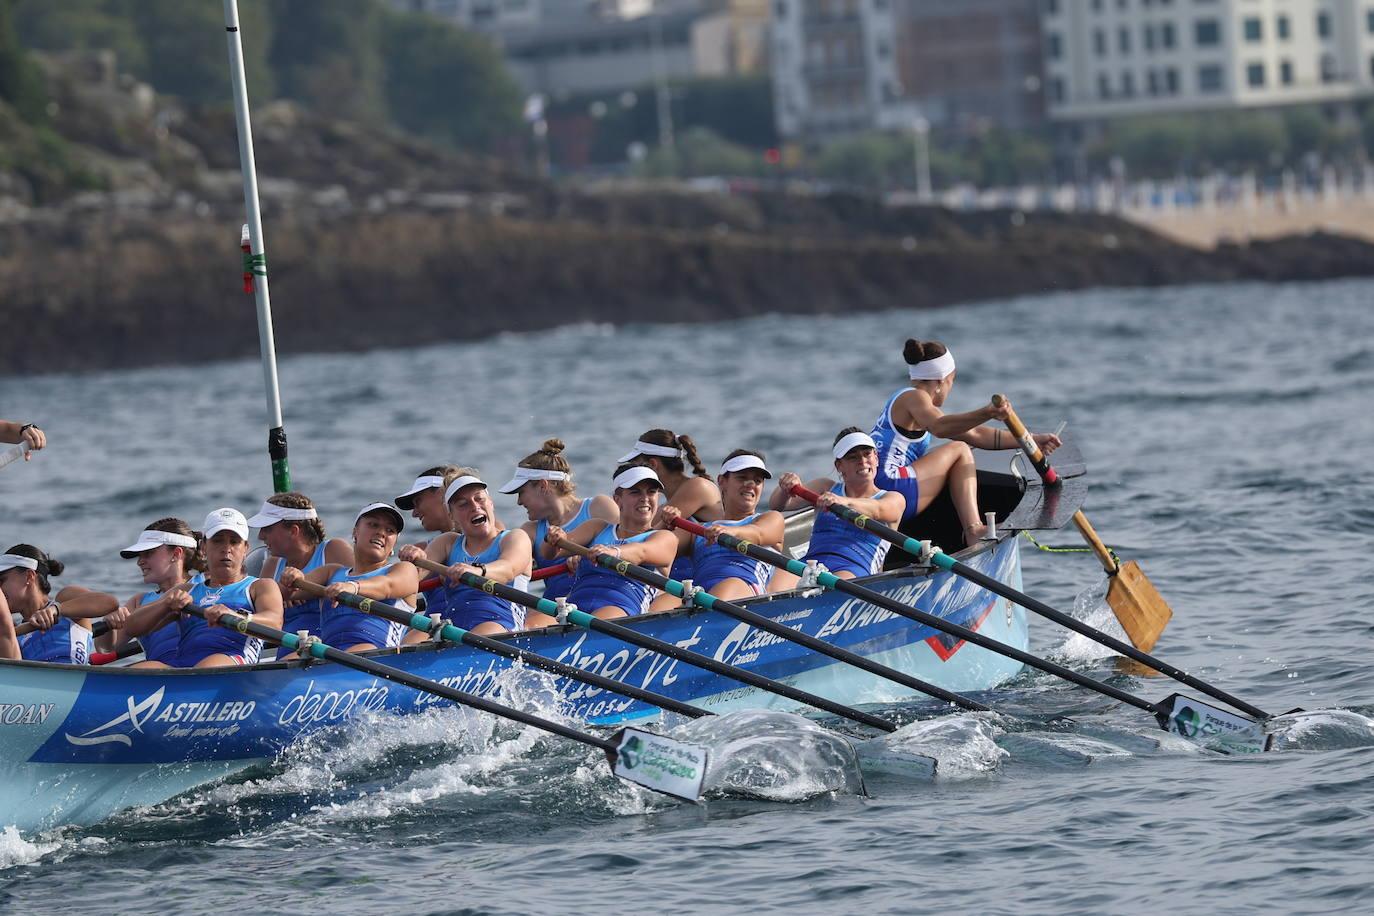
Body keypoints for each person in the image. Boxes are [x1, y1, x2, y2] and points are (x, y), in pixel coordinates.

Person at [869, 338, 1062, 544]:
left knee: (964, 445)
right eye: (952, 381)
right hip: (891, 487)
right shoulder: (915, 398)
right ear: (942, 380)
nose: (950, 388)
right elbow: (940, 427)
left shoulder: (910, 403)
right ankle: (973, 529)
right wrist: (987, 412)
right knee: (960, 450)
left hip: (874, 491)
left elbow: (977, 435)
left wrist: (1030, 440)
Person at [399, 472, 535, 637]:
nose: (474, 506)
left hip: (500, 625)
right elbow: (414, 576)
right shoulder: (447, 542)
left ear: (491, 504)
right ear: (452, 516)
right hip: (454, 630)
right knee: (409, 645)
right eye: (463, 504)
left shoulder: (514, 537)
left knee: (479, 636)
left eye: (479, 499)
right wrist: (412, 559)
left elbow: (509, 569)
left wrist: (477, 571)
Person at [771, 429, 907, 580]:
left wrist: (844, 501)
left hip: (855, 568)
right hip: (811, 563)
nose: (862, 461)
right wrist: (785, 488)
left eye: (867, 454)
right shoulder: (825, 487)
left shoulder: (893, 498)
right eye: (852, 457)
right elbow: (777, 506)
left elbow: (878, 510)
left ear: (876, 458)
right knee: (775, 583)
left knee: (834, 588)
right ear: (839, 466)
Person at [546, 464, 679, 619]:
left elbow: (641, 552)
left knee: (598, 622)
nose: (645, 498)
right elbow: (550, 554)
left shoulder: (663, 537)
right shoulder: (597, 527)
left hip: (620, 607)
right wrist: (555, 537)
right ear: (617, 499)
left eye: (652, 492)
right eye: (635, 492)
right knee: (535, 619)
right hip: (575, 604)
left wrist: (613, 552)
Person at [283, 503, 418, 653]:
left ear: (394, 544)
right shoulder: (331, 572)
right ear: (355, 532)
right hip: (330, 655)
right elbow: (284, 593)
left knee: (357, 652)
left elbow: (387, 586)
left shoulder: (404, 569)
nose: (381, 533)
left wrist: (353, 587)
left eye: (390, 530)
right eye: (373, 525)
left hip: (377, 656)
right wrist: (292, 578)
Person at [658, 449, 787, 600]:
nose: (750, 484)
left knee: (729, 586)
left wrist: (730, 532)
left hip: (743, 590)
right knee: (665, 599)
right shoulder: (699, 531)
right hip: (701, 596)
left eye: (757, 481)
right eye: (742, 478)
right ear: (722, 481)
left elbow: (758, 533)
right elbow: (659, 550)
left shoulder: (772, 518)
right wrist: (665, 524)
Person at [617, 428, 723, 609]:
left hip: (715, 575)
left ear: (652, 464)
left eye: (637, 466)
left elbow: (648, 534)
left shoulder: (697, 487)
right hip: (687, 579)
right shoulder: (670, 500)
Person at [501, 439, 617, 601]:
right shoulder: (530, 532)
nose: (519, 502)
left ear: (543, 485)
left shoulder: (598, 507)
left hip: (604, 597)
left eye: (521, 492)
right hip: (555, 609)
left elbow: (625, 545)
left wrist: (585, 561)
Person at [247, 493, 352, 658]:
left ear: (294, 531)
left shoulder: (333, 550)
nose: (261, 536)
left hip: (330, 645)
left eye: (267, 528)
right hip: (288, 647)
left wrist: (307, 589)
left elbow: (357, 588)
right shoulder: (271, 565)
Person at [180, 508, 284, 667]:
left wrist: (235, 616)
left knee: (208, 666)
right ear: (203, 547)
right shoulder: (185, 591)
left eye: (234, 542)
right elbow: (133, 627)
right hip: (183, 663)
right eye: (217, 540)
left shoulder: (261, 586)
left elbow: (275, 624)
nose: (226, 548)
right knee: (143, 667)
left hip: (233, 659)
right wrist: (164, 605)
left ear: (245, 549)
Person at [0, 544, 123, 664]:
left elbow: (109, 602)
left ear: (29, 576)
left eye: (1, 580)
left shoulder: (65, 599)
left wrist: (55, 610)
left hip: (75, 680)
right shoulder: (11, 632)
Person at [116, 519, 205, 668]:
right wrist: (112, 618)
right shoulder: (138, 601)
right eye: (140, 555)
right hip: (159, 678)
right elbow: (105, 649)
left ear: (176, 554)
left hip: (204, 671)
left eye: (149, 553)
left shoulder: (209, 585)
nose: (140, 562)